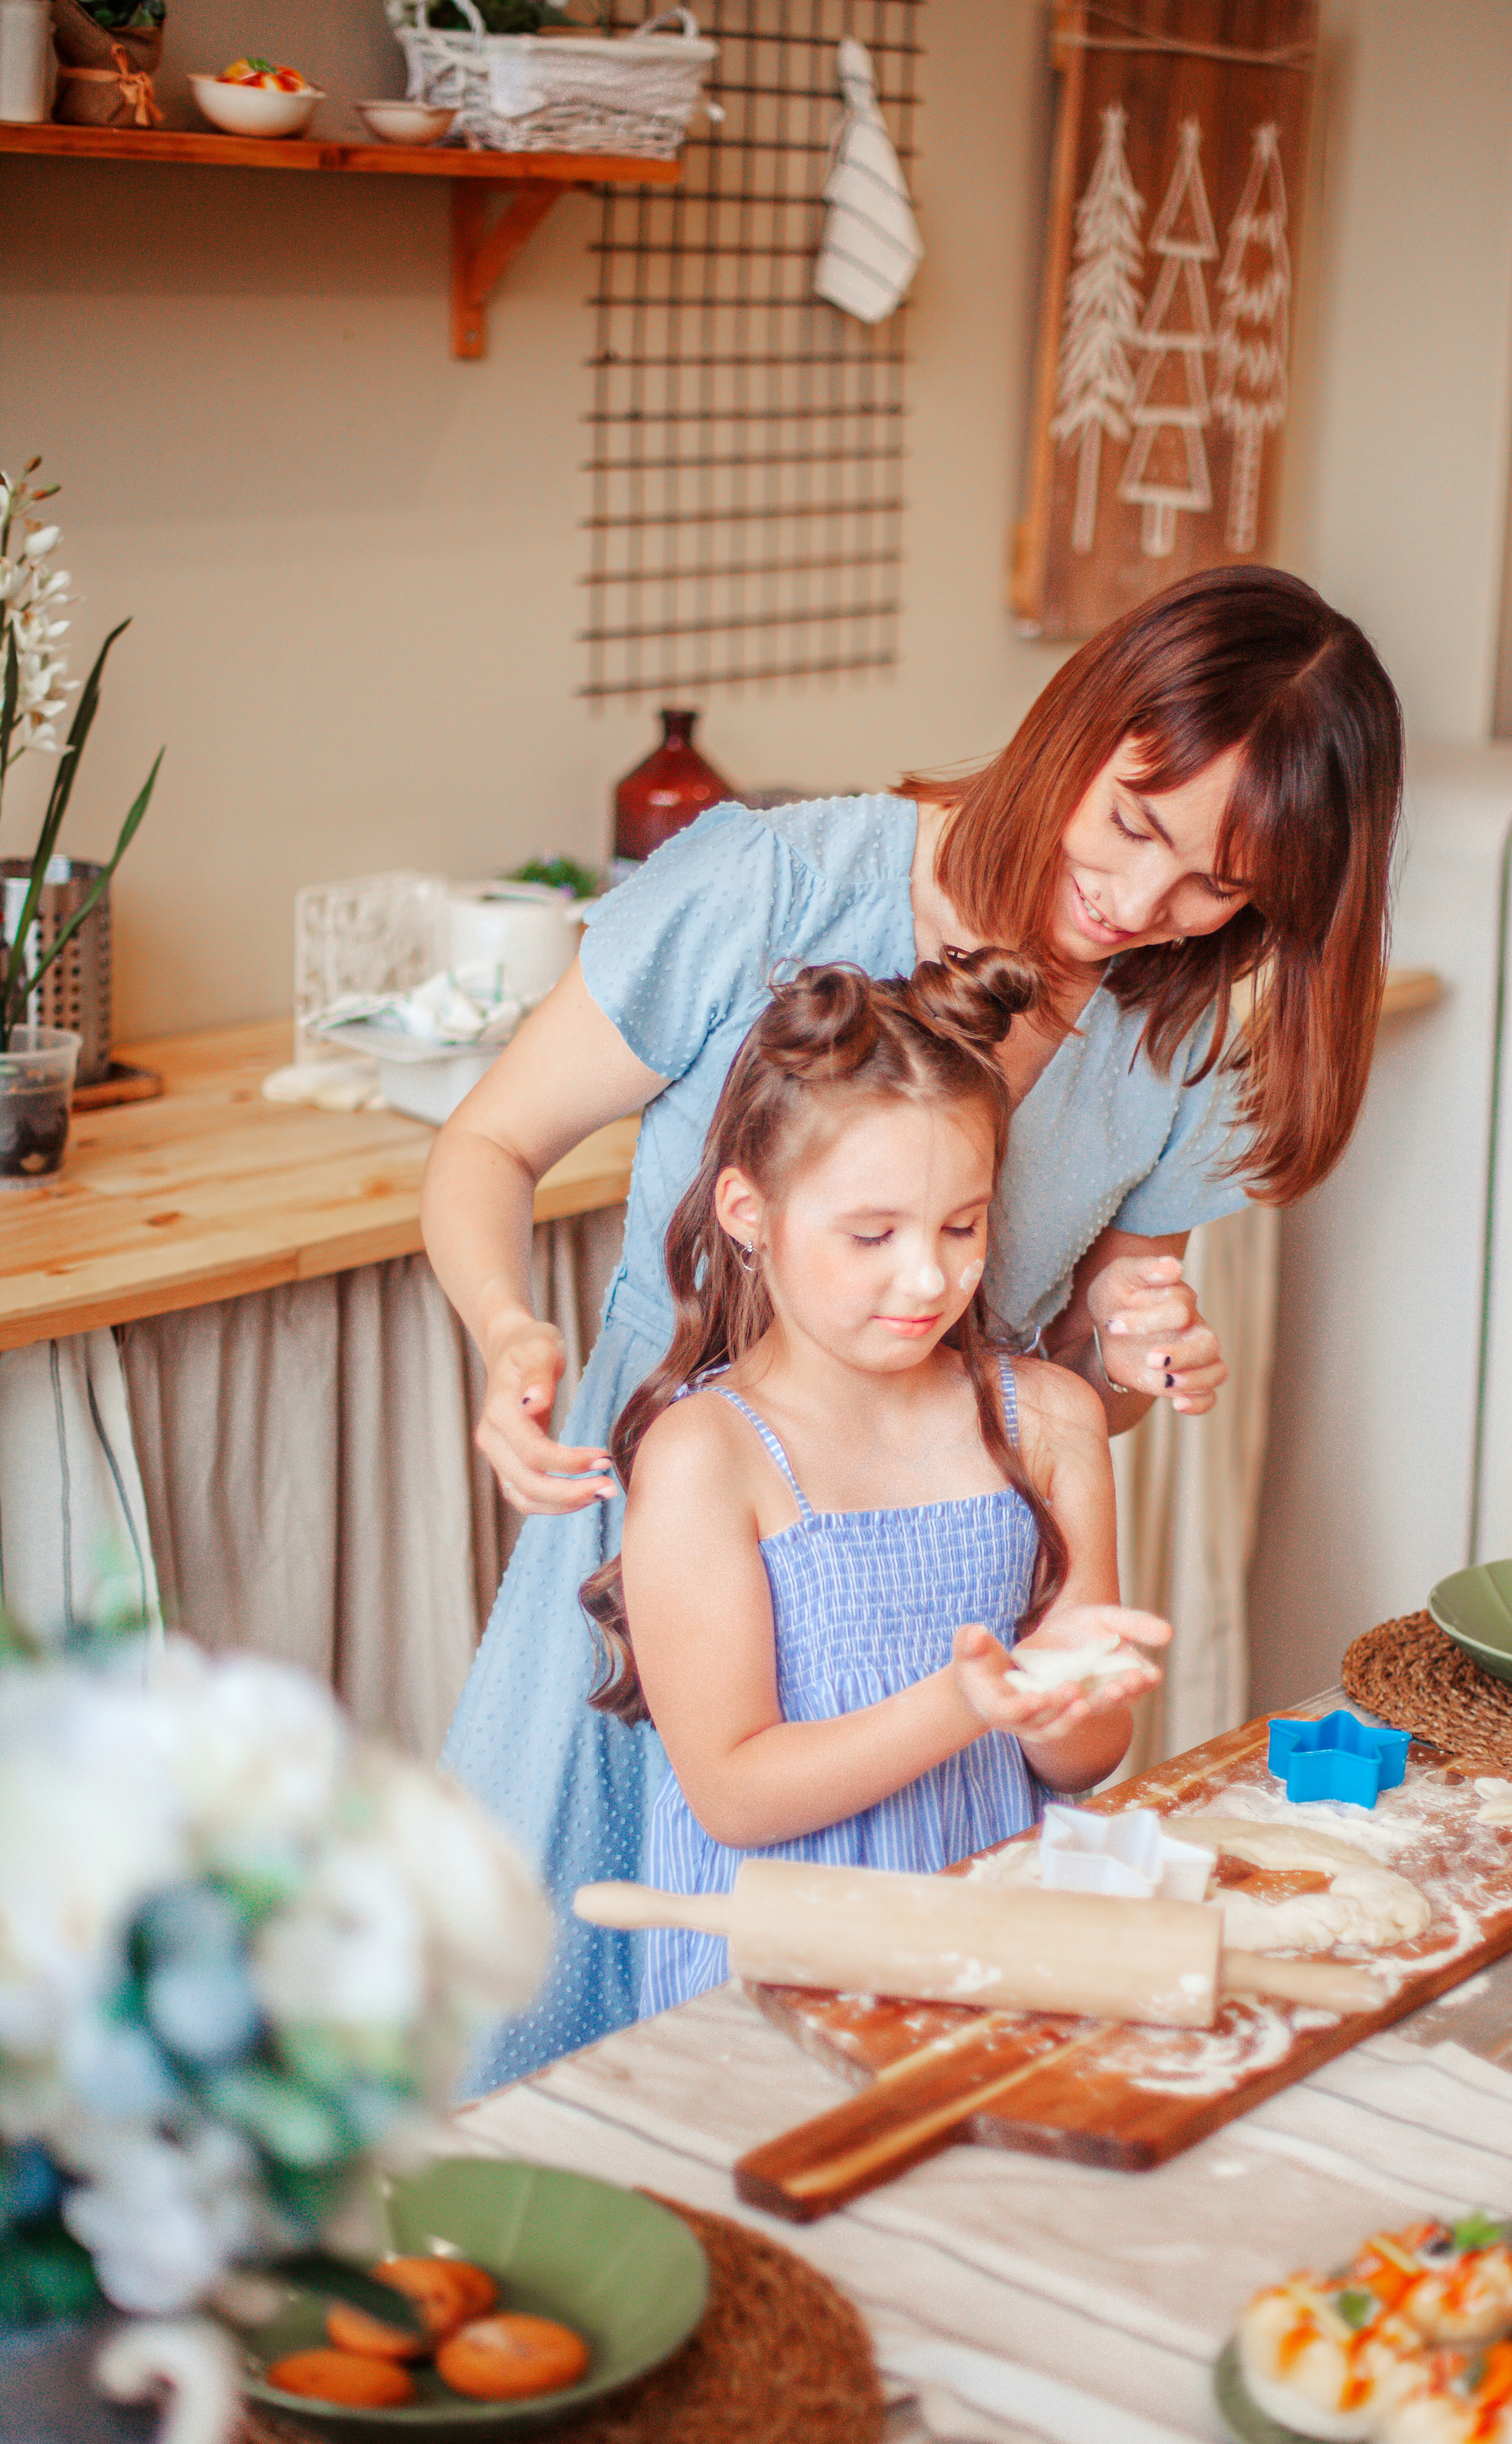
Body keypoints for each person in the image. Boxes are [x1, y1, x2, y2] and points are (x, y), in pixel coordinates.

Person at [422, 562, 1404, 2085]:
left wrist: (1130, 1349)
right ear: (1083, 720)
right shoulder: (770, 885)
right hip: (644, 1571)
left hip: (925, 1642)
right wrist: (506, 1337)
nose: (1140, 907)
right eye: (1134, 823)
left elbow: (1056, 1392)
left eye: (1217, 887)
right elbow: (487, 1143)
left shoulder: (1182, 1028)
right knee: (544, 2060)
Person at [580, 951, 1168, 2011]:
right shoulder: (708, 1455)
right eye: (871, 1234)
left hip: (993, 1949)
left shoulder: (1050, 1421)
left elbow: (1087, 1762)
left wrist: (1056, 1702)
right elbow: (733, 1794)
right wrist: (965, 1701)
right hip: (778, 1980)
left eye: (962, 1225)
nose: (930, 1276)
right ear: (748, 1211)